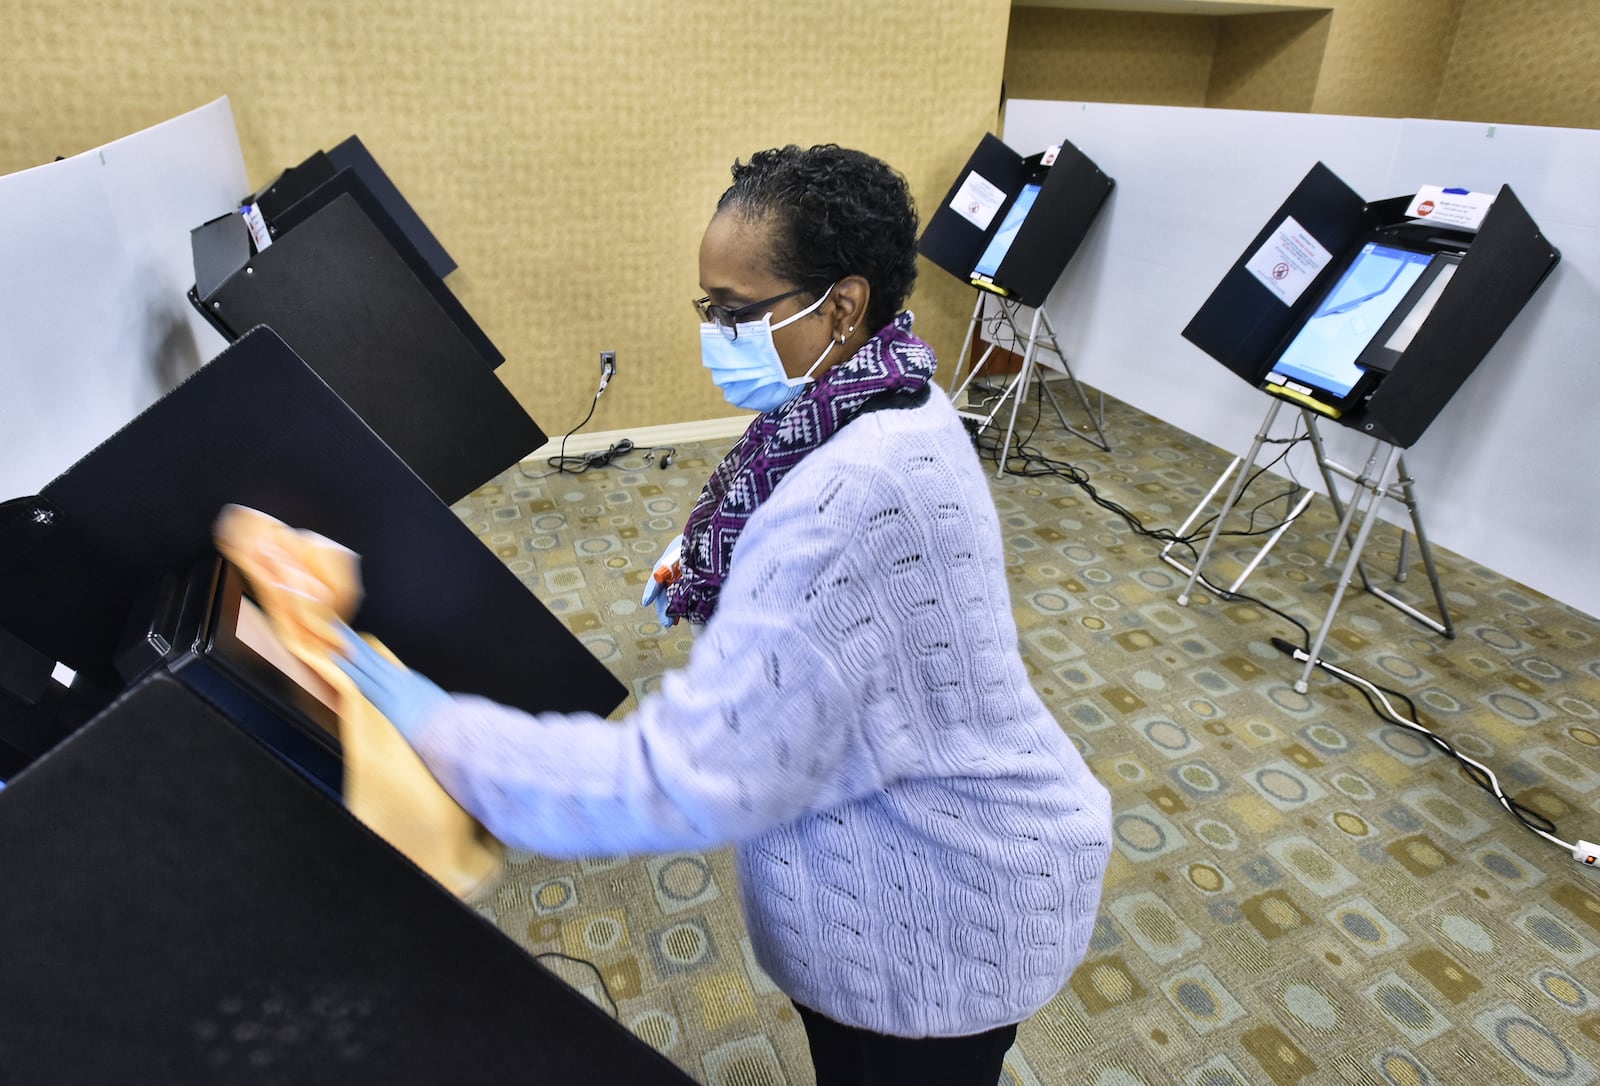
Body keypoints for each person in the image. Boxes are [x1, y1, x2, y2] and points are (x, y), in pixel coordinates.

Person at [335, 144, 1113, 1086]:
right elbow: (795, 512)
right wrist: (721, 556)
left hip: (941, 914)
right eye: (709, 309)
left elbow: (685, 778)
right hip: (930, 848)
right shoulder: (881, 388)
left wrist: (441, 732)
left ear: (844, 303)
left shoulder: (847, 505)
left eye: (739, 314)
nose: (717, 335)